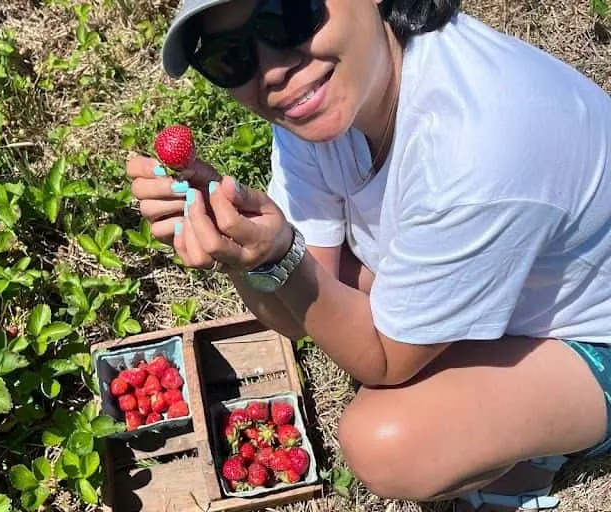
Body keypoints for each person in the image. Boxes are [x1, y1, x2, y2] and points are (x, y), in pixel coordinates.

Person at [125, 0, 611, 509]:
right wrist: (242, 249)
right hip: (522, 282)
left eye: (289, 17)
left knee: (386, 443)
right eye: (231, 57)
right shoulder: (321, 96)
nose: (271, 70)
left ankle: (552, 446)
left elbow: (382, 362)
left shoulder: (477, 140)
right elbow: (293, 317)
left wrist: (280, 256)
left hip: (592, 332)